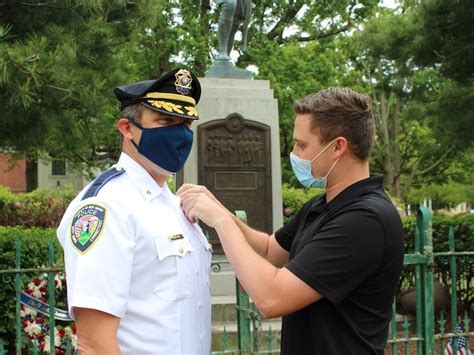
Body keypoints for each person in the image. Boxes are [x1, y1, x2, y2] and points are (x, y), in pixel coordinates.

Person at [178, 87, 405, 354]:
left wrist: (220, 222)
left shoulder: (366, 220)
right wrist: (221, 209)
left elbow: (272, 298)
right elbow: (268, 250)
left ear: (337, 147)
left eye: (302, 144)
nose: (294, 153)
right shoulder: (323, 204)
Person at [57, 68, 213, 354]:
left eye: (186, 124)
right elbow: (94, 342)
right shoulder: (107, 206)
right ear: (127, 129)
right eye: (166, 121)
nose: (179, 134)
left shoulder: (175, 205)